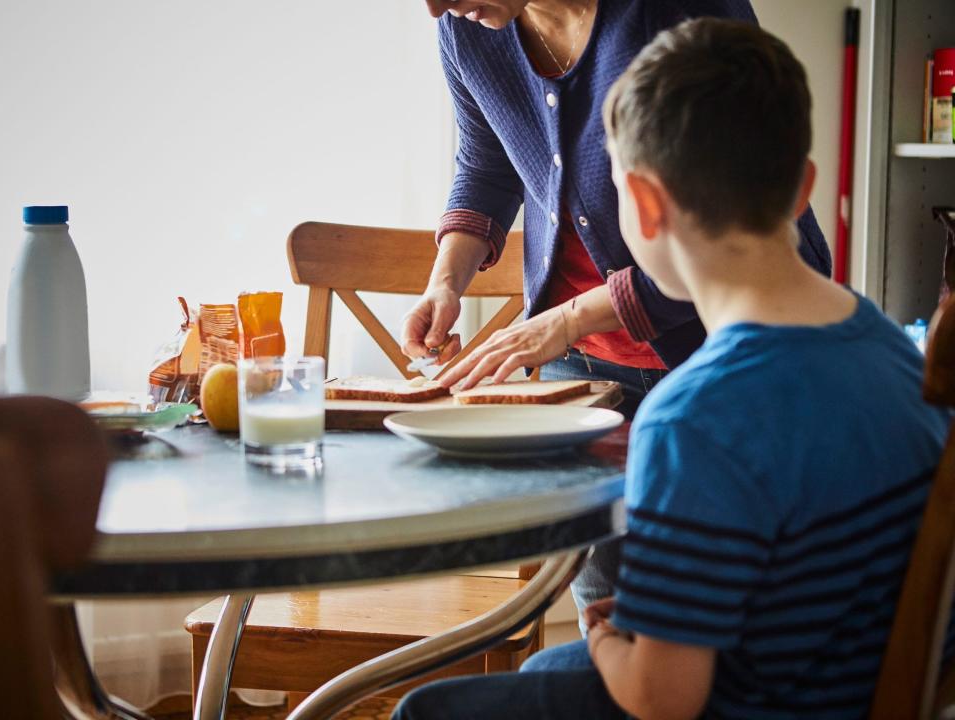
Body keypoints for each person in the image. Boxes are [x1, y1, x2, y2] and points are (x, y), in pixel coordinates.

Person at [393, 18, 952, 720]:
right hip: (841, 685)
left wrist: (602, 638)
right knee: (547, 666)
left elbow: (663, 700)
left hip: (743, 705)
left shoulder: (691, 420)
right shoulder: (900, 356)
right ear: (803, 186)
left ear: (646, 210)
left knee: (427, 709)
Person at [404, 0, 832, 619]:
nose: (435, 6)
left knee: (732, 603)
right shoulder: (466, 31)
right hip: (580, 367)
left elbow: (724, 225)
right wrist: (446, 280)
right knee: (610, 607)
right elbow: (486, 164)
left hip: (718, 347)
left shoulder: (679, 9)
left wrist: (566, 319)